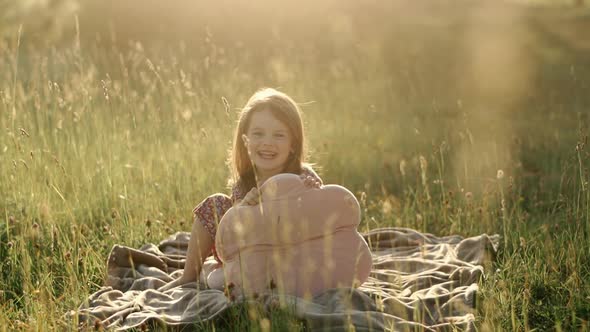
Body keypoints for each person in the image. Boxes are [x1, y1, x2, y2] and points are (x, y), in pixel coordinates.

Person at [159, 88, 322, 291]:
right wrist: (245, 207)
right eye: (258, 134)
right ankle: (189, 276)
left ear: (292, 143)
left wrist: (313, 193)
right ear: (246, 141)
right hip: (247, 252)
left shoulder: (303, 176)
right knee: (215, 203)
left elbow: (321, 216)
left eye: (279, 135)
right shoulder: (246, 182)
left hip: (289, 252)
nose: (267, 142)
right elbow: (233, 228)